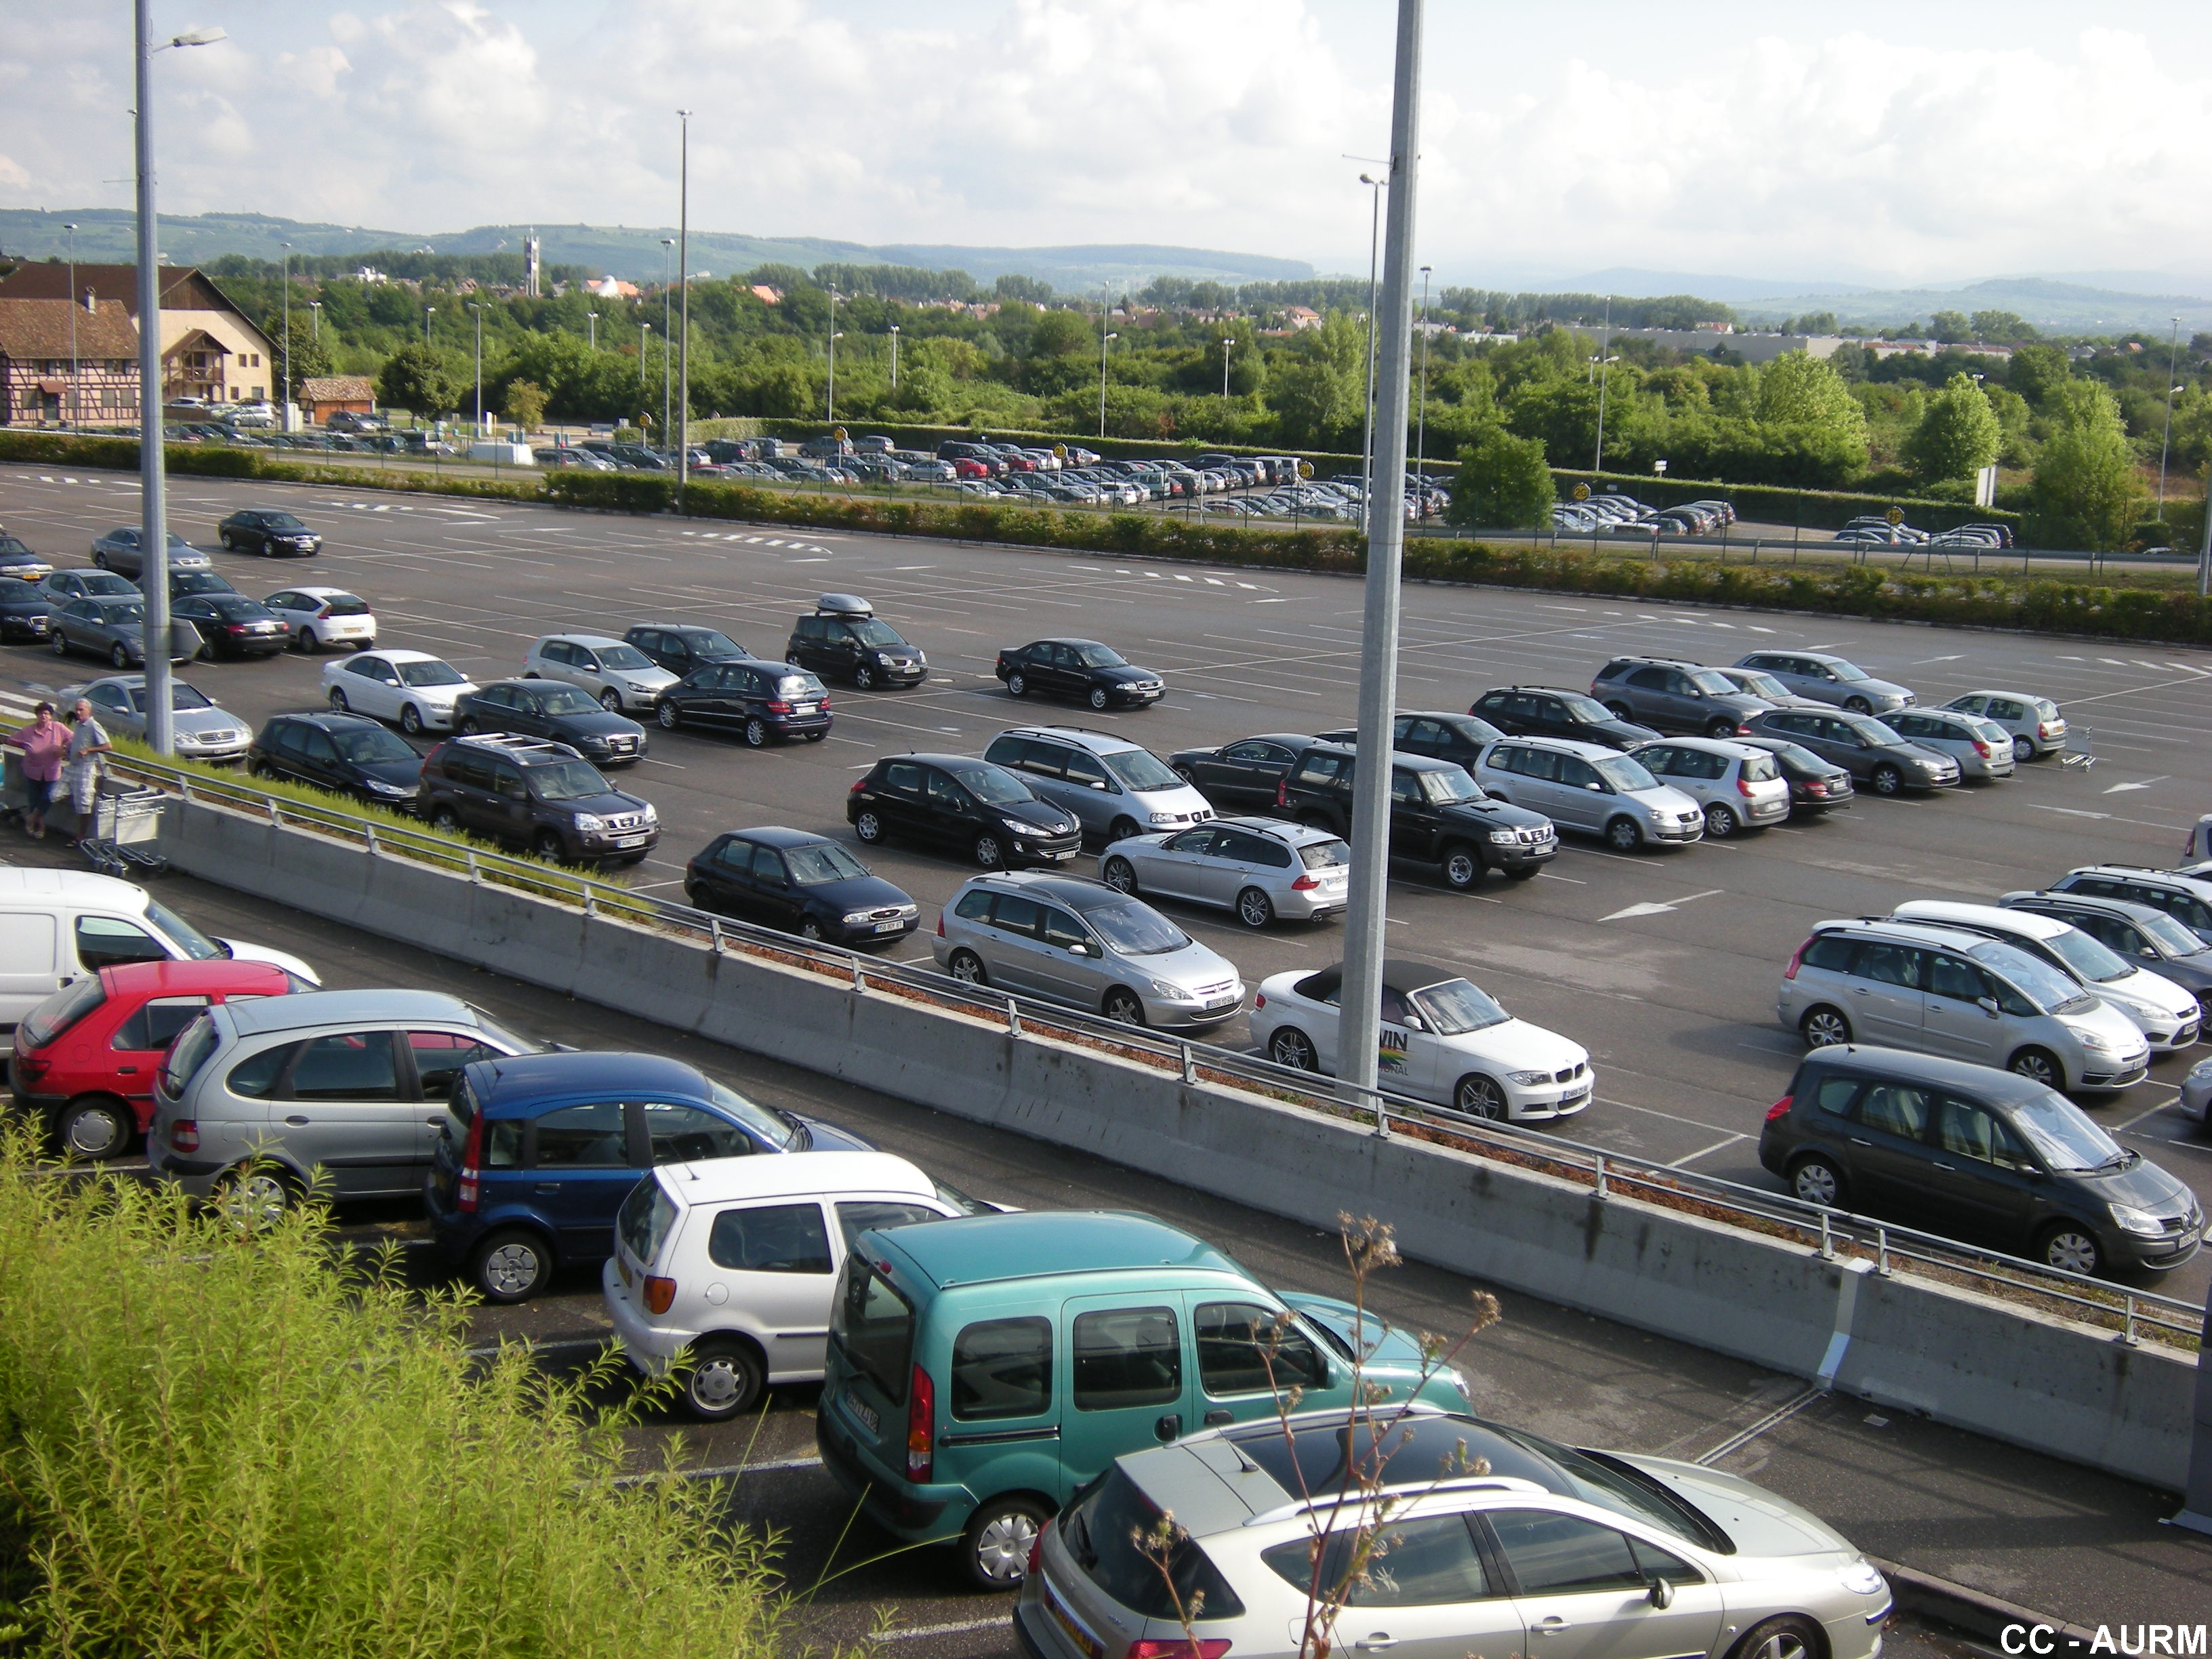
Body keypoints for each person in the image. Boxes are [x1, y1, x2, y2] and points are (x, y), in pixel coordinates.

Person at [5, 701, 67, 838]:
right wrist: (26, 748)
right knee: (34, 801)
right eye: (40, 713)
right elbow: (11, 741)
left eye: (46, 714)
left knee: (49, 797)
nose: (43, 716)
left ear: (51, 716)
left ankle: (31, 819)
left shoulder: (58, 728)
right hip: (32, 772)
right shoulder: (28, 731)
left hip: (52, 772)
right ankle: (38, 826)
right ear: (36, 716)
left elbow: (73, 740)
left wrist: (63, 749)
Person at [63, 697, 112, 828]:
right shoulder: (78, 725)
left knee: (84, 806)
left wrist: (88, 750)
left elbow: (108, 746)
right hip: (72, 767)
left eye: (81, 710)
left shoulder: (93, 725)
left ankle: (80, 837)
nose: (78, 713)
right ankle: (74, 793)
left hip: (86, 768)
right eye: (77, 710)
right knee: (54, 795)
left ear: (89, 711)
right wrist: (69, 746)